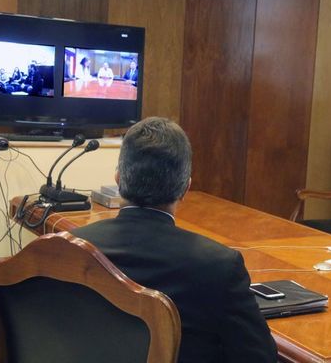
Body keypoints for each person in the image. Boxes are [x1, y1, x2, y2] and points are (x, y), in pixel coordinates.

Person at [72, 117, 277, 363]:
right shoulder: (219, 266)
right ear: (186, 188)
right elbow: (261, 357)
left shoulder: (72, 247)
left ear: (117, 179)